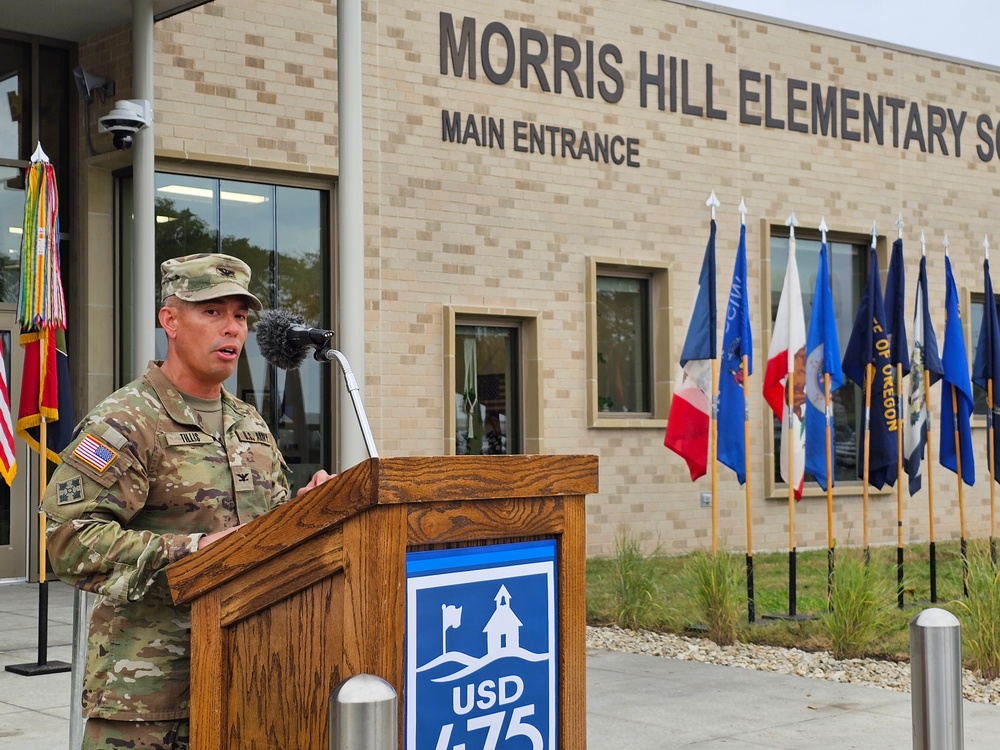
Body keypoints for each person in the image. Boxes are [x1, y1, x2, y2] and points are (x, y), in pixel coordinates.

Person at [41, 253, 333, 750]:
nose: (232, 329)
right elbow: (66, 541)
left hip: (248, 677)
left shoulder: (250, 423)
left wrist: (304, 512)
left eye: (240, 315)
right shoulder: (127, 420)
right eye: (212, 311)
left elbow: (260, 533)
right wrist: (194, 550)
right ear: (170, 320)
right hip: (150, 698)